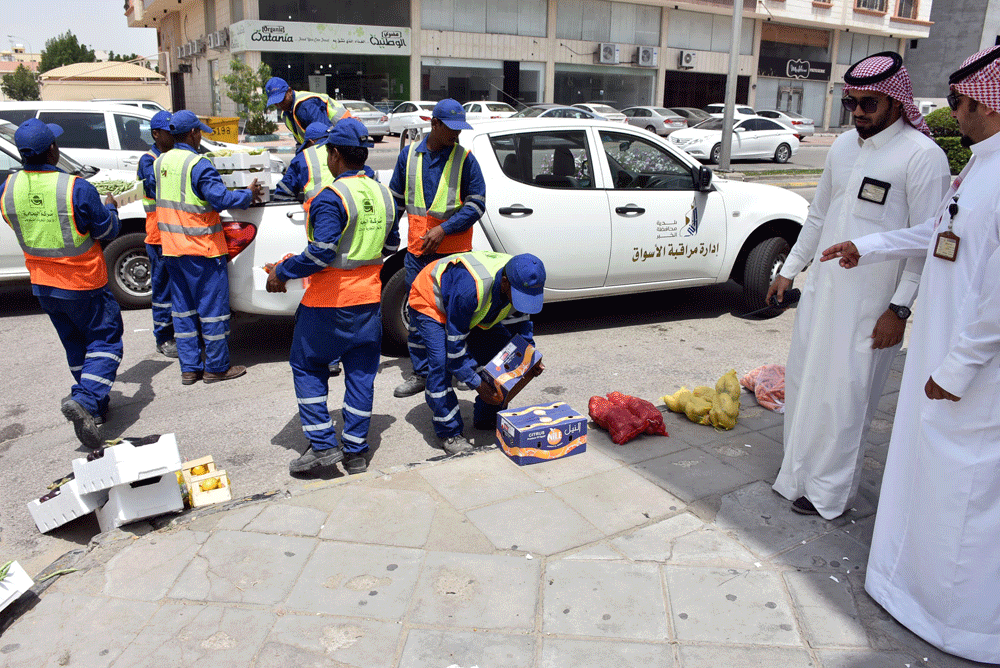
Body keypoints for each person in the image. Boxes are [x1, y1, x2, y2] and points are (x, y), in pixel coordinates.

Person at [820, 45, 1000, 663]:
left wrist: (954, 370)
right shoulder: (980, 166)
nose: (953, 113)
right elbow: (937, 233)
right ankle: (907, 590)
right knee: (925, 481)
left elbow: (998, 305)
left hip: (972, 377)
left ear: (986, 102)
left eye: (959, 103)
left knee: (965, 496)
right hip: (941, 355)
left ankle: (958, 624)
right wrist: (866, 246)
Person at [765, 52, 950, 519]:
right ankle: (795, 475)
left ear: (895, 101)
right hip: (824, 294)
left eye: (869, 102)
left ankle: (828, 495)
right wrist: (790, 268)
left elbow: (927, 241)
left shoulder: (922, 157)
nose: (860, 112)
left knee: (847, 399)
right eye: (852, 103)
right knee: (807, 384)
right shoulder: (845, 147)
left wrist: (900, 309)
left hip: (873, 305)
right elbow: (819, 215)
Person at [266, 118, 399, 475]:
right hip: (368, 302)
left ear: (335, 153)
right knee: (360, 375)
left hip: (328, 305)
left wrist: (282, 271)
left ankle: (323, 445)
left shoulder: (332, 197)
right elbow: (390, 245)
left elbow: (322, 252)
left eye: (328, 152)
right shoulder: (383, 193)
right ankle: (356, 451)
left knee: (307, 366)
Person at [0, 119, 122, 449]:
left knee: (75, 345)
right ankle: (85, 400)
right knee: (106, 342)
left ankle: (94, 407)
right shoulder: (75, 187)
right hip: (83, 282)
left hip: (42, 284)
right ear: (52, 150)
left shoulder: (8, 188)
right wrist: (111, 210)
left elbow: (16, 223)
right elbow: (105, 231)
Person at [155, 110, 263, 385]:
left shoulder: (161, 162)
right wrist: (247, 194)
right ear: (192, 133)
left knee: (183, 311)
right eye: (199, 132)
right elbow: (219, 198)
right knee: (213, 312)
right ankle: (216, 366)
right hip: (202, 248)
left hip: (172, 249)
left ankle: (189, 368)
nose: (200, 136)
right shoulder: (197, 164)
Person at [389, 98, 486, 399]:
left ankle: (454, 369)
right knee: (419, 316)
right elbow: (396, 200)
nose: (456, 134)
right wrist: (388, 236)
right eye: (451, 128)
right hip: (418, 253)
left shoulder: (465, 158)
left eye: (460, 128)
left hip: (453, 254)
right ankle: (422, 373)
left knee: (455, 316)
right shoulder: (409, 157)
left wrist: (444, 229)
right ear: (434, 124)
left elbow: (477, 204)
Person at [408, 251, 545, 454]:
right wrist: (477, 383)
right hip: (431, 300)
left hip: (467, 306)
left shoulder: (522, 279)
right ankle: (449, 433)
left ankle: (486, 417)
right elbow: (455, 349)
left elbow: (522, 328)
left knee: (506, 353)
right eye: (519, 297)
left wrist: (529, 359)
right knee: (440, 363)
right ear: (505, 283)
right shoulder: (470, 290)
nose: (521, 302)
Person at [137, 110, 177, 358]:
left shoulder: (175, 156)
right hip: (158, 236)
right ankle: (163, 337)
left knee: (177, 289)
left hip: (176, 234)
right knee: (162, 290)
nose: (174, 136)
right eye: (169, 132)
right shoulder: (148, 160)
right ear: (156, 134)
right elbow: (156, 188)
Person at [264, 77, 352, 148]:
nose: (279, 105)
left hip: (347, 136)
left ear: (290, 91)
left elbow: (323, 137)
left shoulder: (305, 106)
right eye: (275, 102)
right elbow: (301, 141)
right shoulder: (286, 114)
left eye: (282, 99)